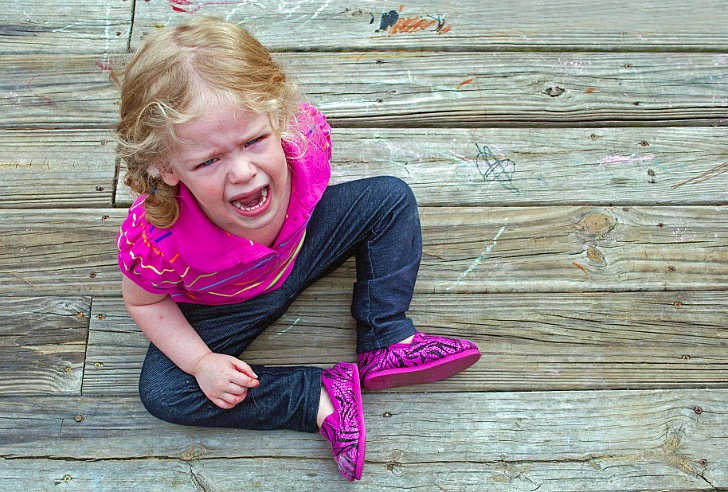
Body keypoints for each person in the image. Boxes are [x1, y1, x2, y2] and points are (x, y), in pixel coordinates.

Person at [113, 16, 481, 482]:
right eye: (208, 160)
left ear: (279, 116)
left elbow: (336, 199)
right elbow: (143, 300)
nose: (243, 172)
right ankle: (318, 397)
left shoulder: (306, 141)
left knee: (390, 198)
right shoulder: (155, 239)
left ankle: (386, 337)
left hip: (300, 249)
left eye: (254, 141)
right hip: (221, 306)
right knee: (163, 392)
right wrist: (202, 362)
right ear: (166, 167)